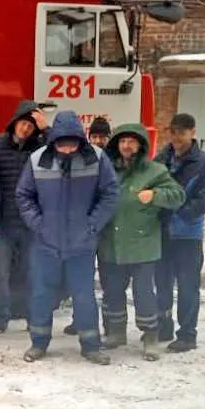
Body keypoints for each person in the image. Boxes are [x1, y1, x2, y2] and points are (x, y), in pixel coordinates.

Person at [16, 110, 119, 365]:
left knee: (83, 295)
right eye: (62, 144)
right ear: (54, 142)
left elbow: (110, 193)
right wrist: (37, 224)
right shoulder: (38, 159)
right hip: (45, 243)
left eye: (71, 144)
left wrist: (92, 224)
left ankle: (91, 345)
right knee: (41, 294)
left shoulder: (96, 158)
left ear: (80, 140)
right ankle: (38, 343)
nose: (67, 149)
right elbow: (24, 195)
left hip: (81, 244)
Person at [99, 124, 185, 360]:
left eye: (132, 141)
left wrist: (155, 196)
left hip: (143, 245)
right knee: (112, 291)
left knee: (144, 293)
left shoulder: (155, 171)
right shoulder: (106, 169)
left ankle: (150, 336)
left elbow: (178, 195)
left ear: (141, 145)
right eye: (122, 141)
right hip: (111, 244)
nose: (127, 146)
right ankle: (116, 333)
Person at [154, 113, 205, 353]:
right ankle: (164, 325)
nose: (176, 137)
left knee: (188, 286)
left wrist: (175, 212)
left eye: (181, 132)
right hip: (162, 234)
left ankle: (187, 334)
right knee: (161, 283)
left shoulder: (204, 163)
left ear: (192, 132)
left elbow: (204, 200)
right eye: (173, 132)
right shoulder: (161, 159)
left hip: (188, 235)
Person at [0, 100, 49, 333]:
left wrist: (46, 129)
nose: (25, 129)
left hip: (29, 223)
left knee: (31, 273)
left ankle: (32, 317)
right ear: (14, 123)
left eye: (31, 127)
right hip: (3, 222)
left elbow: (63, 151)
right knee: (0, 274)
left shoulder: (40, 148)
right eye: (23, 123)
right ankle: (1, 317)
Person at [63, 114, 114, 337]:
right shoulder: (82, 158)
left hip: (108, 229)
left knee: (109, 280)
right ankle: (79, 320)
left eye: (103, 136)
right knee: (81, 279)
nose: (99, 140)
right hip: (82, 231)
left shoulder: (112, 159)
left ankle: (110, 325)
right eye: (95, 136)